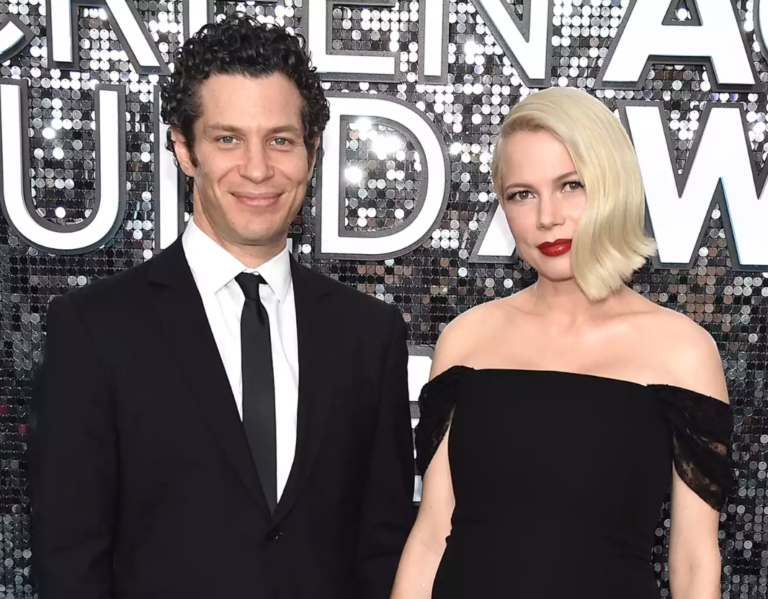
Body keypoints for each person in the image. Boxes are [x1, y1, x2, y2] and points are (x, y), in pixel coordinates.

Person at [31, 16, 414, 599]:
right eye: (227, 138)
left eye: (280, 140)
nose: (257, 169)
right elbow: (70, 557)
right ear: (184, 149)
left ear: (311, 152)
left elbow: (382, 547)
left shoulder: (369, 333)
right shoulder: (95, 328)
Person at [390, 87, 732, 599]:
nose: (547, 216)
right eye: (521, 194)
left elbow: (693, 560)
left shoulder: (682, 351)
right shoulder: (467, 338)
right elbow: (432, 534)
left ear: (613, 186)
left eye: (571, 186)